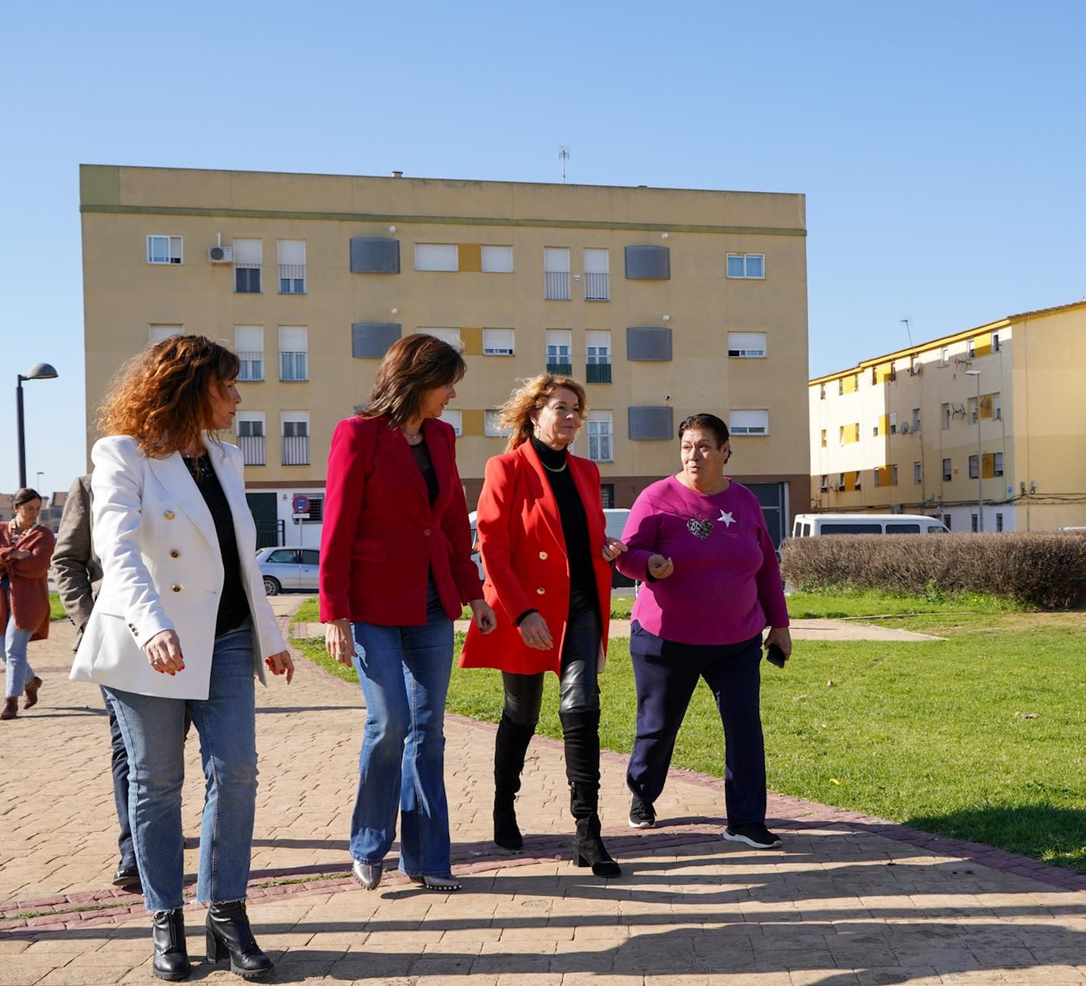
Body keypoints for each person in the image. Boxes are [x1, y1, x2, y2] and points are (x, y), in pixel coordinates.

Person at [70, 334, 294, 982]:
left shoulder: (226, 456)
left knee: (238, 771)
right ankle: (164, 917)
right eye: (227, 385)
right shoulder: (123, 454)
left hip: (225, 640)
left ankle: (226, 911)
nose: (237, 397)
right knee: (157, 785)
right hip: (150, 646)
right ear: (190, 389)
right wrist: (152, 626)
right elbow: (118, 551)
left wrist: (271, 638)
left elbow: (239, 558)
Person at [320, 333, 495, 894]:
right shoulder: (358, 434)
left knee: (429, 729)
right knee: (389, 721)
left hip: (432, 601)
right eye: (446, 383)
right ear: (417, 380)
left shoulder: (442, 437)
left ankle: (425, 856)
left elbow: (447, 525)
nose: (450, 395)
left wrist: (474, 595)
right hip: (371, 603)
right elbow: (338, 526)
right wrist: (334, 613)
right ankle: (369, 841)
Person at [460, 375, 627, 877]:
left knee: (582, 708)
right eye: (561, 407)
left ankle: (588, 833)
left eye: (577, 408)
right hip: (525, 611)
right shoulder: (505, 468)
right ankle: (503, 804)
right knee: (522, 712)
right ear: (535, 414)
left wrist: (605, 549)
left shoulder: (588, 471)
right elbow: (493, 547)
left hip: (579, 608)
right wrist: (522, 613)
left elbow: (581, 537)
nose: (571, 416)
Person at [616, 414, 793, 850]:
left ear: (726, 450)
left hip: (737, 639)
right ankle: (642, 791)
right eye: (687, 447)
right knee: (657, 727)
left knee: (744, 727)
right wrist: (649, 565)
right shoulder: (657, 497)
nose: (694, 456)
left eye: (704, 447)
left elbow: (767, 565)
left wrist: (781, 624)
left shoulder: (746, 501)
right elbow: (626, 555)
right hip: (666, 639)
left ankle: (747, 820)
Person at [54, 474, 144, 892]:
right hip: (116, 637)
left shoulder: (192, 472)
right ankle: (134, 849)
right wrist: (90, 622)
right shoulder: (91, 485)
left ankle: (154, 824)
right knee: (128, 744)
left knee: (163, 750)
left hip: (189, 635)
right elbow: (66, 559)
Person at [0, 488, 56, 721]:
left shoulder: (44, 535)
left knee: (14, 648)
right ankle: (31, 681)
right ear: (16, 508)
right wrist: (13, 554)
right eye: (29, 509)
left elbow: (37, 566)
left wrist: (2, 560)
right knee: (0, 648)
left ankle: (11, 701)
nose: (34, 514)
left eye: (38, 509)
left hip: (29, 602)